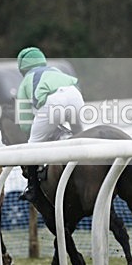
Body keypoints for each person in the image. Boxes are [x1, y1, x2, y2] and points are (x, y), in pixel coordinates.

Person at [15, 46, 84, 199]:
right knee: (80, 136)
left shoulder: (26, 81)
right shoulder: (56, 71)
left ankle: (32, 188)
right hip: (75, 96)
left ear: (22, 68)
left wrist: (36, 132)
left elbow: (25, 123)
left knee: (32, 145)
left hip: (54, 103)